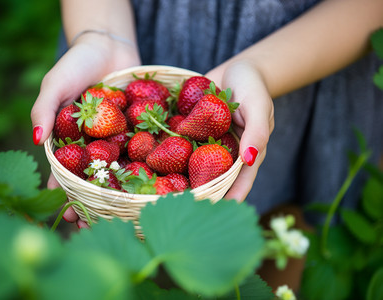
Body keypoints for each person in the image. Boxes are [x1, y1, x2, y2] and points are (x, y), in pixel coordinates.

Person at [31, 0, 383, 230]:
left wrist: (257, 69)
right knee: (105, 253)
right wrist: (101, 34)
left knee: (273, 226)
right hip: (129, 19)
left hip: (304, 51)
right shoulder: (141, 130)